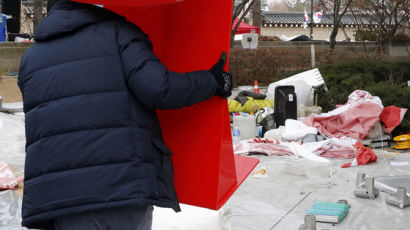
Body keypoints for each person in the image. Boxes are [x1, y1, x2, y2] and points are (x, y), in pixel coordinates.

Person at [18, 0, 233, 229]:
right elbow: (160, 89)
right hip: (121, 186)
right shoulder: (118, 34)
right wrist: (212, 81)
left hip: (60, 198)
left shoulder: (31, 59)